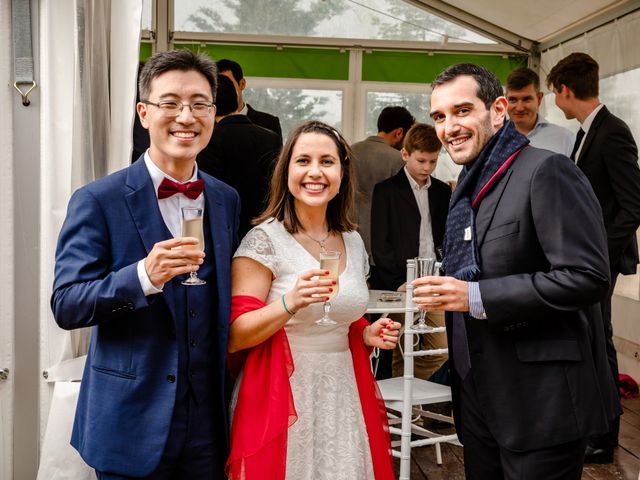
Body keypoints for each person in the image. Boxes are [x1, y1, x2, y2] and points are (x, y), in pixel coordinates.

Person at [414, 63, 620, 479]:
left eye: (462, 111)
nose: (449, 126)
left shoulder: (546, 170)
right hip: (477, 398)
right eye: (439, 116)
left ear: (498, 110)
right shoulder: (467, 186)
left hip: (541, 405)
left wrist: (474, 297)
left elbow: (588, 276)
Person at [51, 49, 240, 479]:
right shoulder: (98, 199)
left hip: (208, 426)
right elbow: (67, 304)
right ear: (143, 113)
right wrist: (143, 277)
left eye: (200, 104)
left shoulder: (226, 199)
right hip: (130, 423)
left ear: (214, 113)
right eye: (170, 103)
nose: (186, 117)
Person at [225, 120, 401, 480]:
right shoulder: (264, 241)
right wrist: (290, 302)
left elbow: (341, 316)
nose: (315, 172)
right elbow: (236, 335)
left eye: (327, 161)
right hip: (282, 393)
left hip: (343, 391)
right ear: (286, 171)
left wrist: (365, 334)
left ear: (342, 173)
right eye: (303, 161)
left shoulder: (352, 240)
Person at [547, 51, 640, 463]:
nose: (556, 102)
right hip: (584, 257)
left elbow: (633, 205)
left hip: (601, 259)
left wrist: (599, 252)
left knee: (600, 343)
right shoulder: (588, 131)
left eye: (554, 94)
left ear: (566, 91)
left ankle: (604, 438)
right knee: (590, 339)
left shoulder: (612, 131)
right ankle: (591, 428)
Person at [371, 123, 451, 380]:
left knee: (441, 348)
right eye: (421, 160)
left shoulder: (442, 191)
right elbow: (380, 244)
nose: (427, 167)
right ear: (405, 154)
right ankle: (402, 412)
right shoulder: (386, 191)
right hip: (398, 285)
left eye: (432, 161)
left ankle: (415, 394)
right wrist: (398, 283)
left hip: (434, 281)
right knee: (396, 349)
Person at [198, 74, 281, 238]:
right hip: (267, 229)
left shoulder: (208, 142)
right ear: (236, 97)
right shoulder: (271, 137)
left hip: (225, 231)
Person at [351, 106, 415, 260]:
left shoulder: (351, 151)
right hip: (381, 243)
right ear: (399, 132)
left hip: (348, 238)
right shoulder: (398, 160)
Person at [505, 67, 574, 156]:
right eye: (513, 100)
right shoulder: (493, 137)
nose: (519, 108)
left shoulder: (564, 138)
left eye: (526, 99)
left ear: (539, 98)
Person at [216, 58, 283, 143]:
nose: (223, 89)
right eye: (217, 86)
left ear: (242, 84)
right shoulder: (207, 125)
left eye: (228, 84)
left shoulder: (269, 123)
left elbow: (279, 156)